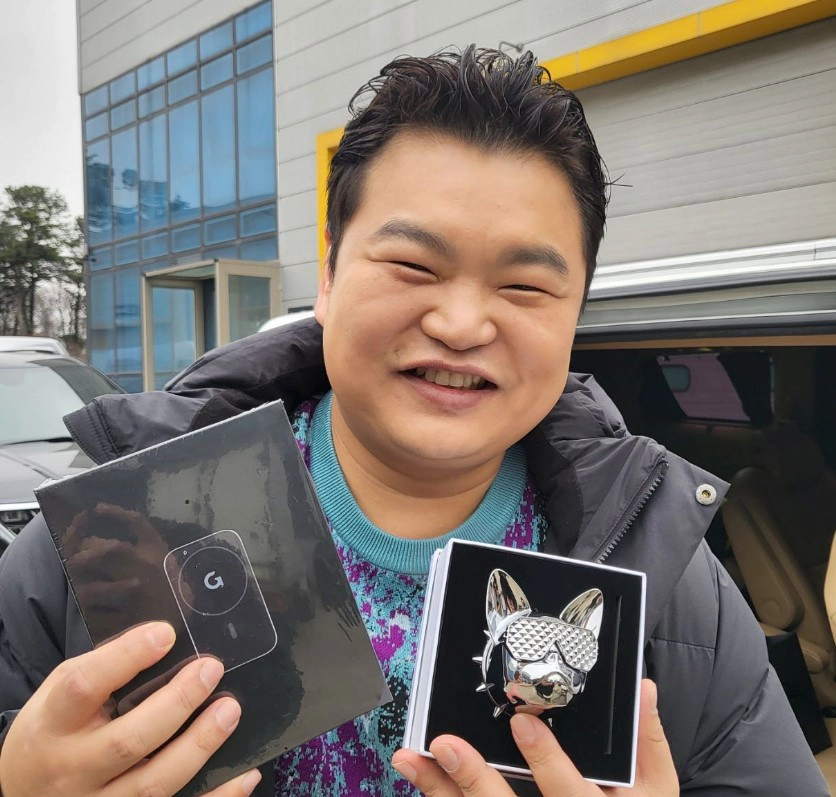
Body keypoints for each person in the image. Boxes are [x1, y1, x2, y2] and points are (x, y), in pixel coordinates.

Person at [0, 46, 827, 797]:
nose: (462, 324)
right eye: (412, 264)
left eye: (525, 286)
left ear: (575, 314)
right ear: (329, 275)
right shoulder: (103, 535)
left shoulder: (670, 582)